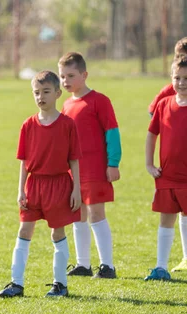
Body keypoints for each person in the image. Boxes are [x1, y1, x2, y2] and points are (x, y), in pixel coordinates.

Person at [0, 70, 81, 299]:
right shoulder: (28, 125)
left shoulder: (67, 124)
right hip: (34, 185)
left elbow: (74, 160)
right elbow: (24, 162)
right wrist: (20, 191)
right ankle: (16, 283)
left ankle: (60, 284)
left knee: (57, 233)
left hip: (59, 185)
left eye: (46, 92)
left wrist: (77, 188)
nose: (40, 97)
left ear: (57, 93)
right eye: (36, 92)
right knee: (24, 229)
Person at [58, 52, 122, 280]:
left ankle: (107, 266)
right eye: (62, 76)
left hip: (95, 170)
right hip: (74, 173)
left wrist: (113, 163)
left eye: (71, 76)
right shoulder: (65, 104)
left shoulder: (100, 101)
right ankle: (83, 264)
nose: (65, 81)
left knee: (96, 214)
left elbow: (112, 133)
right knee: (78, 215)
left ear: (84, 75)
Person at [144, 55, 187, 281]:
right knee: (166, 220)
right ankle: (161, 267)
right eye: (177, 78)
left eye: (186, 78)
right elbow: (152, 134)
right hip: (167, 176)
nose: (181, 83)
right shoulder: (163, 104)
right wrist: (149, 164)